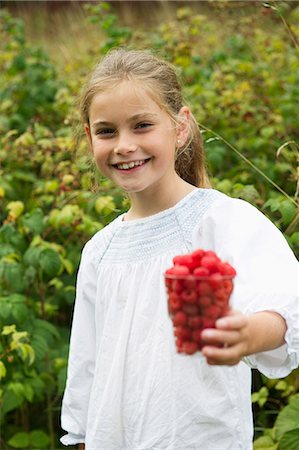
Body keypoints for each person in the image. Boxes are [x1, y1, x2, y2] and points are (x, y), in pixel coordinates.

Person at [60, 48, 299, 450]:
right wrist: (82, 438)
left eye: (142, 125)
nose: (123, 145)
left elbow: (288, 302)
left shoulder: (223, 220)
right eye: (106, 131)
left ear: (180, 127)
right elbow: (87, 366)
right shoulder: (100, 250)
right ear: (89, 137)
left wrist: (249, 334)